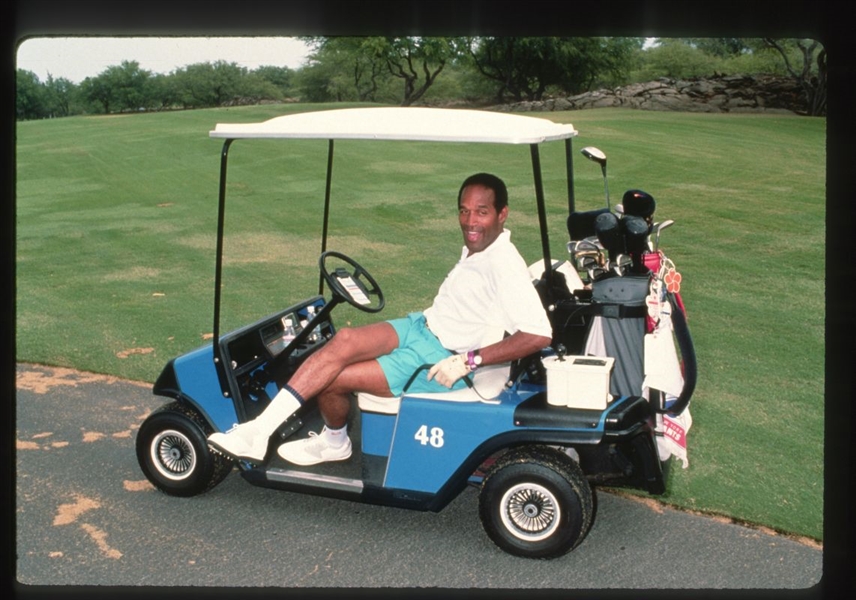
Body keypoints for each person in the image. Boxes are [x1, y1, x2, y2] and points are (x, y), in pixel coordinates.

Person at [208, 173, 553, 466]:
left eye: (481, 212)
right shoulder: (482, 248)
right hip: (422, 327)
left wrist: (468, 360)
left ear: (502, 214)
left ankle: (333, 442)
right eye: (464, 211)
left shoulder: (503, 264)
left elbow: (538, 334)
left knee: (332, 377)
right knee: (342, 340)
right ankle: (259, 432)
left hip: (439, 359)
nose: (469, 221)